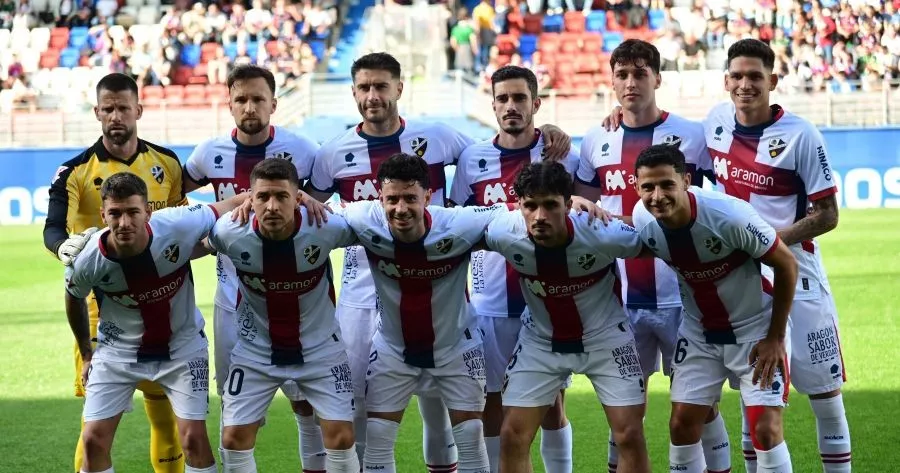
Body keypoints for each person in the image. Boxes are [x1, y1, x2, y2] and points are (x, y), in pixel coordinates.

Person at [303, 51, 572, 470]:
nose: (373, 96)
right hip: (361, 294)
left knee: (440, 411)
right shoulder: (332, 152)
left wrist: (545, 132)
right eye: (364, 88)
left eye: (381, 86)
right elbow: (310, 211)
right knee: (356, 405)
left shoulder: (440, 137)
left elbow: (496, 149)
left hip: (437, 289)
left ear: (399, 89)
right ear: (353, 92)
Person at [574, 39, 731, 473]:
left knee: (702, 407)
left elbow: (721, 202)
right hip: (621, 302)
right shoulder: (594, 140)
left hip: (685, 299)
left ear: (657, 78)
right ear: (611, 80)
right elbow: (583, 215)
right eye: (621, 74)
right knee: (623, 410)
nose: (630, 83)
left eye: (640, 73)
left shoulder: (693, 136)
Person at [704, 39, 850, 473]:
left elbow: (828, 215)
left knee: (825, 394)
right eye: (738, 76)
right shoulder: (714, 123)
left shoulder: (801, 135)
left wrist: (769, 242)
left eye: (755, 76)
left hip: (800, 275)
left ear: (773, 80)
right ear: (726, 80)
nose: (745, 84)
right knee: (757, 394)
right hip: (744, 282)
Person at [181, 64, 327, 470]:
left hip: (299, 300)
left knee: (307, 404)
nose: (250, 107)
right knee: (235, 404)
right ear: (229, 103)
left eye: (258, 99)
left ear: (274, 104)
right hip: (233, 300)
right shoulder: (208, 153)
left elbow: (320, 213)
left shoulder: (305, 151)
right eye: (241, 99)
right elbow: (173, 193)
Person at [44, 72, 189, 473]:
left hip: (162, 304)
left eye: (123, 107)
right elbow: (53, 228)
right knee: (94, 425)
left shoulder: (167, 163)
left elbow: (181, 225)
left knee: (165, 417)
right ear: (96, 113)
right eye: (107, 109)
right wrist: (63, 247)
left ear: (138, 109)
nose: (116, 116)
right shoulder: (74, 171)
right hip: (99, 309)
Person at [63, 172, 249, 473]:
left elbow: (237, 201)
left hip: (183, 349)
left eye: (133, 212)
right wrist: (87, 353)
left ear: (148, 212)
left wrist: (300, 198)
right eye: (115, 214)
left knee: (193, 440)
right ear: (103, 214)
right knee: (93, 441)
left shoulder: (177, 222)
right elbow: (73, 298)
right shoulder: (88, 259)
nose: (124, 223)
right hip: (117, 352)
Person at [337, 153, 509, 473]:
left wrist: (576, 205)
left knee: (471, 438)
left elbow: (510, 211)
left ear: (428, 197)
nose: (400, 209)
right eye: (392, 199)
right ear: (380, 197)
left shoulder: (459, 223)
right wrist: (301, 196)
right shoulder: (363, 218)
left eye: (410, 198)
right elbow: (313, 213)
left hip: (456, 348)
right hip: (392, 350)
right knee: (377, 439)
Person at [630, 144, 798, 473]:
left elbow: (787, 265)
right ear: (637, 188)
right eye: (647, 187)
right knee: (681, 425)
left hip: (756, 330)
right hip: (698, 334)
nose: (657, 195)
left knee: (764, 430)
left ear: (687, 181)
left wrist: (775, 337)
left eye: (667, 184)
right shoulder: (643, 220)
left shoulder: (728, 216)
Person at [448, 65, 579, 473]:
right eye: (503, 99)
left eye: (520, 98)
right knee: (491, 401)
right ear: (492, 105)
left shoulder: (560, 154)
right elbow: (457, 222)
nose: (511, 106)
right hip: (490, 301)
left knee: (553, 402)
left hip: (547, 298)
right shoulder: (473, 159)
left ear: (536, 104)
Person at [484, 161, 651, 473]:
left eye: (551, 205)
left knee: (629, 434)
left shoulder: (602, 231)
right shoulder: (504, 231)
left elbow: (654, 242)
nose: (540, 216)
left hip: (606, 340)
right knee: (512, 435)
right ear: (519, 206)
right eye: (530, 206)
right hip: (539, 342)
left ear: (568, 204)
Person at [207, 159, 359, 473]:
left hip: (321, 349)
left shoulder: (327, 226)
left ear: (298, 198)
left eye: (282, 196)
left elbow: (373, 223)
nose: (272, 206)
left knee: (342, 437)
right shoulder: (229, 231)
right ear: (250, 197)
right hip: (255, 351)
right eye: (263, 197)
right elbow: (189, 242)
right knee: (233, 439)